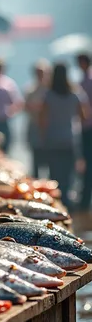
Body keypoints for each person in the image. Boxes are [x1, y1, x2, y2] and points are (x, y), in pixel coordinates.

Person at [38, 62, 88, 210]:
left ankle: (56, 203)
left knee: (54, 174)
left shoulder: (48, 94)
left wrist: (43, 137)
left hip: (52, 138)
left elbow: (42, 120)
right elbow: (84, 116)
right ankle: (68, 203)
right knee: (69, 174)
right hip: (69, 138)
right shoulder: (75, 93)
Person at [24, 59, 50, 177]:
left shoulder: (51, 90)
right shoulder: (30, 90)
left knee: (50, 161)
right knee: (36, 162)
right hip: (35, 128)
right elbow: (26, 108)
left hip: (49, 130)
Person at [76, 53, 92, 210]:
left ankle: (85, 199)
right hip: (86, 127)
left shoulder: (85, 82)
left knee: (87, 163)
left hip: (88, 127)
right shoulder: (83, 81)